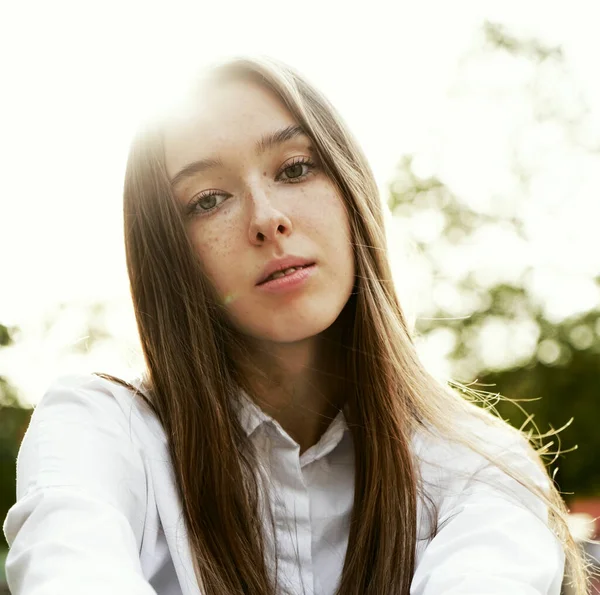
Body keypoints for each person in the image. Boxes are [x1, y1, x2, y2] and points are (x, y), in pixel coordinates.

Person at [2, 55, 589, 594]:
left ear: (349, 190)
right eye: (208, 200)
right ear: (167, 250)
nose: (268, 219)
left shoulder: (477, 462)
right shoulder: (100, 429)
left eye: (296, 167)